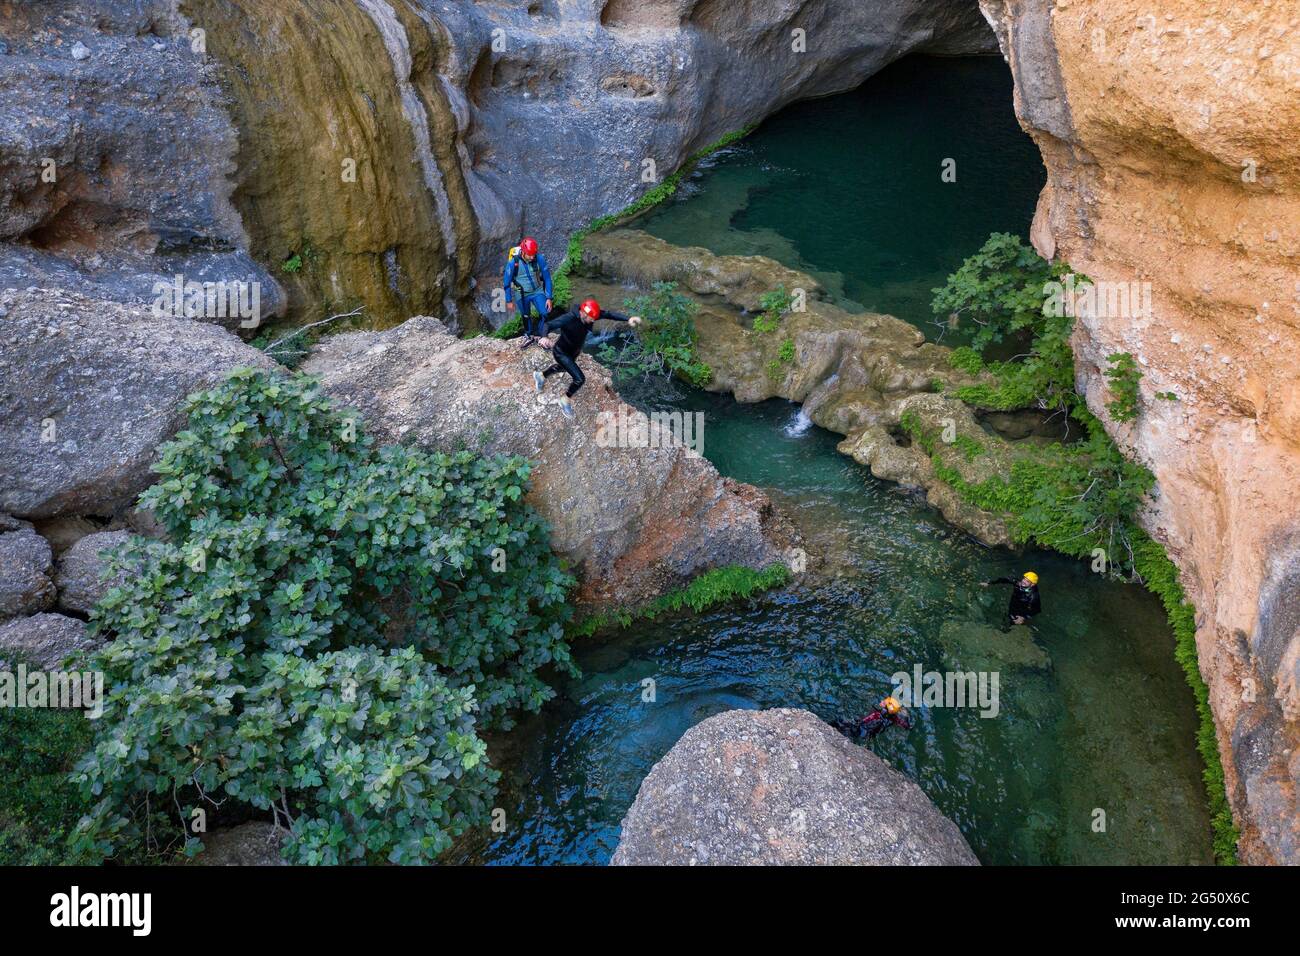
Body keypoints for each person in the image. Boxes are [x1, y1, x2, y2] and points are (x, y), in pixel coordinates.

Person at [533, 297, 641, 418]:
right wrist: (544, 336)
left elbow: (609, 314)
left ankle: (541, 375)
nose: (593, 321)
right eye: (591, 318)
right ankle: (564, 400)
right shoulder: (569, 318)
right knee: (579, 379)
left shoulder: (591, 314)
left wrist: (628, 318)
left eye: (594, 318)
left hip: (573, 352)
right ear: (583, 314)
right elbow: (548, 324)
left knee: (563, 368)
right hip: (561, 352)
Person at [503, 237, 553, 347]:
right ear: (523, 251)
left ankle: (542, 336)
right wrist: (508, 300)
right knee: (526, 316)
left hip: (537, 291)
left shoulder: (539, 259)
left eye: (533, 254)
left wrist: (549, 297)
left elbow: (547, 278)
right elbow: (506, 283)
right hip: (521, 294)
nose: (532, 257)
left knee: (545, 313)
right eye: (529, 254)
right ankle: (528, 335)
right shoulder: (513, 263)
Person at [833, 696, 912, 740]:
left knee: (838, 722)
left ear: (885, 709)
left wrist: (853, 721)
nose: (881, 701)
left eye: (883, 703)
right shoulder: (893, 717)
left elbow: (860, 722)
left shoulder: (875, 714)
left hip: (860, 731)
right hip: (870, 734)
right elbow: (905, 725)